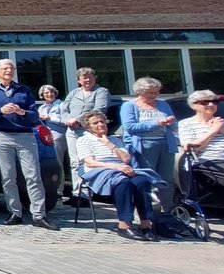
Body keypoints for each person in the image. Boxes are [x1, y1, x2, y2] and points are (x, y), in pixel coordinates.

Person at [0, 59, 59, 230]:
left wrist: (21, 112)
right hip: (1, 135)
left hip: (25, 136)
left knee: (33, 176)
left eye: (12, 68)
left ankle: (39, 215)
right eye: (5, 68)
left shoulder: (23, 90)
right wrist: (1, 110)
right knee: (8, 176)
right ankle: (15, 212)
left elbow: (34, 115)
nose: (9, 71)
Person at [76, 110, 161, 241]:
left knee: (141, 181)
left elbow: (126, 159)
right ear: (88, 127)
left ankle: (146, 224)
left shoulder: (115, 140)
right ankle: (124, 225)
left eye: (102, 121)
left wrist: (109, 144)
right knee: (123, 182)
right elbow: (90, 162)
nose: (100, 125)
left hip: (122, 168)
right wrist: (116, 166)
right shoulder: (83, 140)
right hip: (99, 170)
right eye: (95, 123)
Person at [178, 90, 224, 245]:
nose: (211, 104)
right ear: (193, 105)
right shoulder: (186, 124)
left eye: (214, 102)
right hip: (208, 161)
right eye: (205, 102)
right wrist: (213, 131)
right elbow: (192, 149)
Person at [119, 77, 179, 212]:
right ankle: (148, 212)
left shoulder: (163, 104)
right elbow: (129, 127)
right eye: (149, 93)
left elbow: (174, 125)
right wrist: (156, 123)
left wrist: (171, 122)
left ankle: (169, 211)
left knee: (167, 179)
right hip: (144, 146)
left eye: (156, 92)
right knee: (147, 178)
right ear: (139, 92)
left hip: (166, 144)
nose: (153, 96)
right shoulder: (129, 106)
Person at [62, 68, 111, 202]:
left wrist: (77, 120)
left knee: (88, 161)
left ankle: (87, 194)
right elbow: (63, 108)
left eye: (90, 77)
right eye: (84, 78)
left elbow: (99, 109)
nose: (87, 80)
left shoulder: (101, 92)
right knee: (75, 162)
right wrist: (67, 120)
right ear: (79, 80)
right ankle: (77, 193)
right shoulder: (74, 93)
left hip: (88, 131)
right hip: (72, 131)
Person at [37, 85, 69, 197]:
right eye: (46, 93)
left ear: (55, 93)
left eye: (51, 92)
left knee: (58, 162)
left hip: (58, 136)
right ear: (42, 96)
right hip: (44, 137)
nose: (49, 95)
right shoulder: (41, 108)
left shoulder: (62, 104)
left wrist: (50, 118)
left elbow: (65, 121)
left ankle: (58, 191)